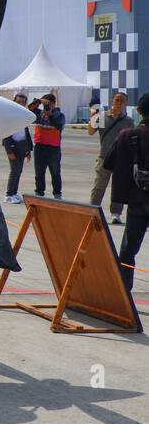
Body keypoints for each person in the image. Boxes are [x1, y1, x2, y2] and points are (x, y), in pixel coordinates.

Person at [103, 93, 149, 291]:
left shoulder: (126, 136)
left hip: (137, 201)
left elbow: (109, 163)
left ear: (138, 111)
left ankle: (123, 290)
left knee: (129, 249)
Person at [90, 92, 132, 224]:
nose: (119, 103)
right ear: (112, 101)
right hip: (104, 157)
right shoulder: (102, 117)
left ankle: (116, 213)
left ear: (126, 104)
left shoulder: (129, 121)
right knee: (99, 186)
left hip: (121, 159)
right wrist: (93, 117)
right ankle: (93, 210)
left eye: (122, 101)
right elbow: (91, 132)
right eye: (117, 100)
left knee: (118, 187)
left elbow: (131, 139)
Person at [31, 92, 66, 198]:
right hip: (40, 146)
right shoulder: (39, 113)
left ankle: (57, 193)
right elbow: (30, 109)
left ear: (53, 104)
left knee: (55, 172)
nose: (46, 107)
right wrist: (37, 102)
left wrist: (49, 113)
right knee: (39, 172)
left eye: (48, 104)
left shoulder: (59, 115)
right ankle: (39, 192)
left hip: (53, 148)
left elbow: (58, 125)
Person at [1, 93, 33, 204]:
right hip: (13, 147)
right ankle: (9, 195)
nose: (21, 104)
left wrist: (28, 150)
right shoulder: (9, 115)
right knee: (14, 171)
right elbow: (5, 134)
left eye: (23, 102)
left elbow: (26, 133)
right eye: (18, 102)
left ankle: (14, 193)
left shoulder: (23, 114)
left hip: (22, 147)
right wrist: (9, 151)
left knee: (18, 171)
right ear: (14, 101)